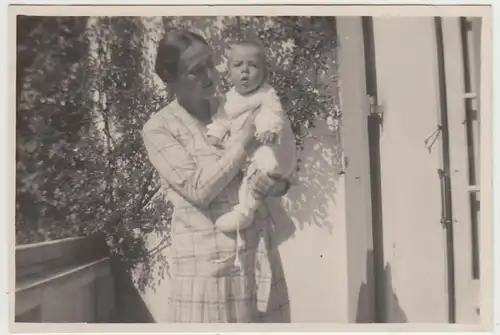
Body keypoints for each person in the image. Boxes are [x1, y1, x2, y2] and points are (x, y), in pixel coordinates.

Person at [141, 30, 292, 323]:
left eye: (211, 63)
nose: (211, 74)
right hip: (207, 278)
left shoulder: (237, 104)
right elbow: (198, 189)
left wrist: (277, 183)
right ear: (170, 79)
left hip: (258, 266)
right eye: (196, 70)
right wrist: (243, 145)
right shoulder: (160, 128)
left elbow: (281, 161)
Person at [206, 40, 297, 270]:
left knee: (260, 169)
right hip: (239, 148)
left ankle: (245, 212)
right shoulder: (228, 99)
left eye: (253, 66)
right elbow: (221, 119)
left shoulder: (267, 94)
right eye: (238, 65)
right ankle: (269, 220)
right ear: (228, 71)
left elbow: (272, 112)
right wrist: (215, 134)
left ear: (264, 72)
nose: (245, 71)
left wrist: (267, 129)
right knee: (244, 174)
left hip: (262, 145)